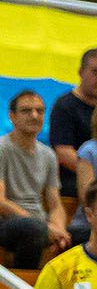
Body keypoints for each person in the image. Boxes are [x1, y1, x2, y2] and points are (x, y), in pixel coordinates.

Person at [0, 90, 67, 267]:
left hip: (39, 223)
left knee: (85, 233)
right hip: (8, 223)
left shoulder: (48, 155)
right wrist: (45, 227)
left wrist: (59, 229)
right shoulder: (2, 148)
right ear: (11, 116)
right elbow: (0, 202)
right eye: (26, 111)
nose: (34, 115)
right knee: (33, 229)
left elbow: (55, 204)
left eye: (39, 111)